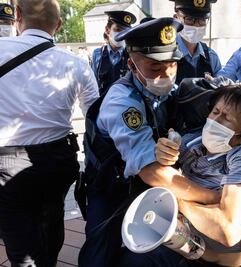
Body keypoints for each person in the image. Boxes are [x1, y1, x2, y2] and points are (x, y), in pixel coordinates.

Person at [79, 17, 220, 267]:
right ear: (132, 65)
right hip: (113, 188)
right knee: (100, 252)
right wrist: (211, 196)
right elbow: (151, 171)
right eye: (155, 68)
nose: (166, 74)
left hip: (150, 190)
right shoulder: (123, 102)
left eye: (172, 65)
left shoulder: (170, 91)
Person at [120, 86, 241, 267]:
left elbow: (227, 229)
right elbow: (154, 171)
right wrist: (163, 152)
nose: (215, 121)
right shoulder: (193, 141)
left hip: (213, 260)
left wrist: (176, 201)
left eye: (226, 118)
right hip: (180, 245)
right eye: (215, 112)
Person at [0, 0, 99, 266]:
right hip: (58, 156)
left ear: (17, 15)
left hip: (8, 160)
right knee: (52, 215)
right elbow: (94, 117)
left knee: (17, 228)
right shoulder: (76, 63)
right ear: (59, 24)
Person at [170, 0, 222, 84]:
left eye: (202, 20)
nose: (196, 25)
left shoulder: (211, 57)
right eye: (190, 19)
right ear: (176, 18)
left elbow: (220, 90)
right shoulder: (166, 53)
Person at [91, 10, 136, 95]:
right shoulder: (97, 54)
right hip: (102, 104)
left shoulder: (132, 55)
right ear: (107, 30)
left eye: (125, 31)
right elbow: (93, 84)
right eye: (117, 29)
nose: (121, 34)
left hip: (125, 104)